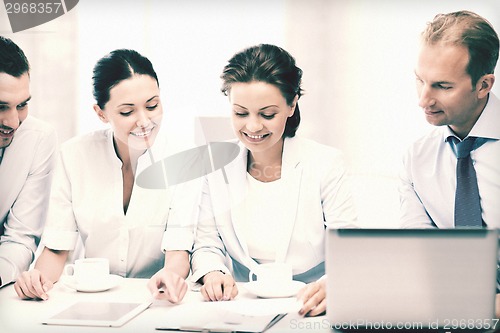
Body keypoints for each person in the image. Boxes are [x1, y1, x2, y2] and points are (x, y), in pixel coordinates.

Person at [190, 44, 358, 317]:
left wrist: (333, 284)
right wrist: (213, 272)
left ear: (291, 105)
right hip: (239, 303)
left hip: (308, 301)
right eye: (240, 113)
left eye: (267, 114)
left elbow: (348, 243)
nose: (253, 127)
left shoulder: (325, 163)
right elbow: (207, 241)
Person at [13, 49, 190, 303]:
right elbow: (57, 247)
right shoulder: (74, 156)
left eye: (152, 105)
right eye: (127, 112)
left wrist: (169, 277)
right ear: (101, 113)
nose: (144, 121)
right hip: (90, 298)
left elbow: (179, 250)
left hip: (155, 298)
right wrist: (36, 280)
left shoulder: (181, 157)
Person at [399, 11, 500, 315]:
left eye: (442, 86)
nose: (423, 99)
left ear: (483, 85)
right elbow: (415, 255)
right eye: (420, 81)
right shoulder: (417, 158)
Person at [0, 36, 57, 288]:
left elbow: (20, 238)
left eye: (22, 105)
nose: (13, 123)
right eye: (0, 107)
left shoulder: (38, 139)